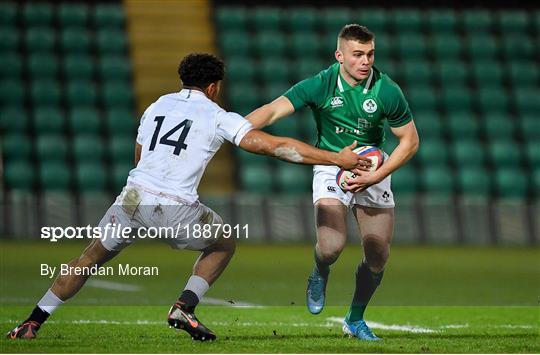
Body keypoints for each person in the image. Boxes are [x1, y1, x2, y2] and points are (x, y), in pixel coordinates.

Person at [7, 53, 366, 342]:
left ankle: (33, 321)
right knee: (224, 242)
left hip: (132, 198)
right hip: (174, 207)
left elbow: (139, 154)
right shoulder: (217, 115)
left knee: (89, 258)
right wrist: (337, 158)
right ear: (214, 87)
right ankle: (184, 305)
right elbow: (272, 146)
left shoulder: (157, 106)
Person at [246, 25, 419, 340]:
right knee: (331, 247)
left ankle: (354, 319)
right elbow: (272, 111)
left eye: (370, 54)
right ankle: (320, 271)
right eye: (357, 55)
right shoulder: (322, 84)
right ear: (340, 55)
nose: (365, 61)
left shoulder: (386, 89)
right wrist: (237, 128)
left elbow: (409, 141)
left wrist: (375, 176)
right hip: (331, 165)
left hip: (372, 167)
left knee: (378, 254)